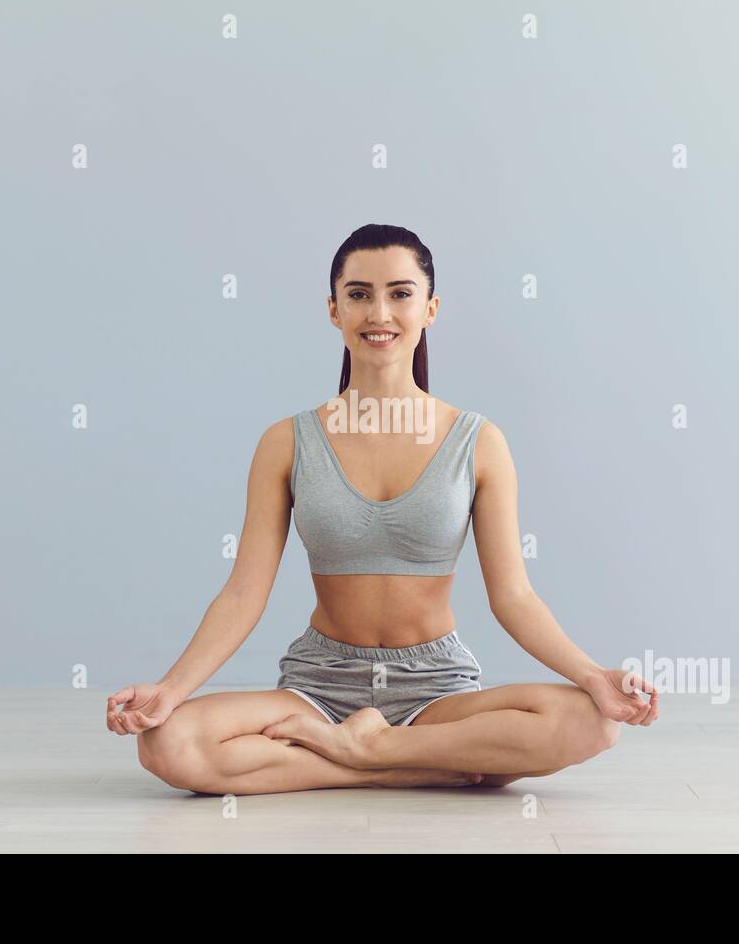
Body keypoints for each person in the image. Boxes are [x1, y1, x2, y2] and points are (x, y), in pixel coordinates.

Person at [107, 224, 658, 794]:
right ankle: (415, 765)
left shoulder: (478, 441)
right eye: (359, 294)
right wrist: (169, 690)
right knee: (168, 742)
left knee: (592, 722)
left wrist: (594, 677)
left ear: (430, 308)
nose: (379, 312)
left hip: (437, 688)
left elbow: (513, 597)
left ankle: (375, 748)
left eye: (400, 293)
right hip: (319, 687)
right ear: (333, 309)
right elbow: (244, 593)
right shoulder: (287, 442)